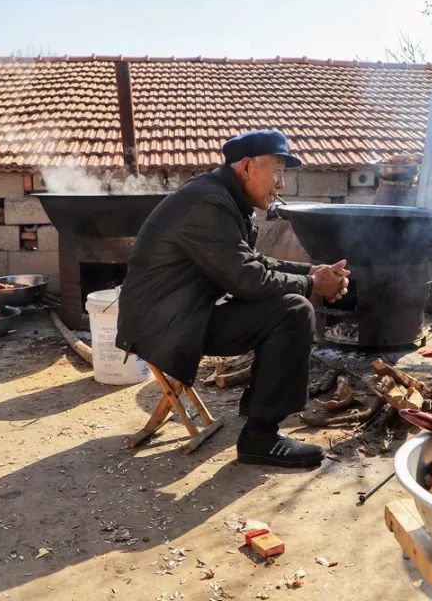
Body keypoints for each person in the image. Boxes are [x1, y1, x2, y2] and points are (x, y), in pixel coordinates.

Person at [116, 130, 350, 468]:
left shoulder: (223, 198)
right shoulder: (207, 204)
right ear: (247, 166)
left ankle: (257, 407)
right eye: (278, 171)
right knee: (293, 311)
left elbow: (252, 262)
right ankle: (260, 438)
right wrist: (313, 285)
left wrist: (312, 271)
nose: (281, 184)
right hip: (164, 325)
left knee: (286, 303)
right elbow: (248, 279)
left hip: (179, 314)